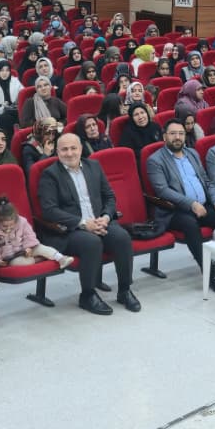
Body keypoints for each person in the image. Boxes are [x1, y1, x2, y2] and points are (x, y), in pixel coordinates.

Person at [35, 132, 139, 316]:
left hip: (99, 222)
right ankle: (87, 295)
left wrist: (106, 217)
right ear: (57, 152)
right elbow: (49, 210)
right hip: (69, 230)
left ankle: (124, 290)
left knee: (122, 237)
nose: (69, 153)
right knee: (92, 242)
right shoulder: (50, 175)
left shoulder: (94, 166)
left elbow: (109, 197)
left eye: (73, 148)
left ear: (81, 149)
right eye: (64, 149)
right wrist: (83, 223)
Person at [146, 119, 215, 293]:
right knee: (190, 224)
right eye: (173, 133)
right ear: (164, 136)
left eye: (181, 133)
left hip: (203, 205)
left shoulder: (192, 154)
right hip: (175, 211)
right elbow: (163, 190)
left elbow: (207, 181)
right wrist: (191, 204)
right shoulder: (155, 160)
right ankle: (210, 273)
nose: (177, 137)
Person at [0, 194, 73, 271]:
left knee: (41, 247)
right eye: (5, 226)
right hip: (10, 258)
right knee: (16, 263)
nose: (8, 228)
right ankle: (39, 259)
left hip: (25, 250)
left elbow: (29, 236)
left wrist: (29, 247)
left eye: (11, 225)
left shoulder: (22, 221)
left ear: (15, 219)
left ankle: (61, 258)